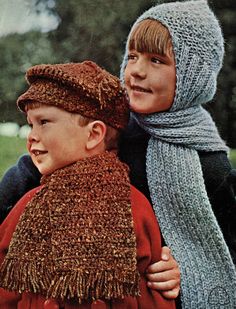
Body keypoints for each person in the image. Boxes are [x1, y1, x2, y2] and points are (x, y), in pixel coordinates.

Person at [0, 61, 176, 309]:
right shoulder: (28, 205)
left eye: (44, 122)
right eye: (31, 124)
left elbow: (155, 295)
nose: (32, 136)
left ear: (94, 135)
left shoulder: (134, 210)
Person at [118, 0, 236, 308]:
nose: (137, 71)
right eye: (132, 56)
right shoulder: (109, 131)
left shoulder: (210, 164)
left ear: (191, 77)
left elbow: (224, 252)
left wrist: (185, 270)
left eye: (156, 60)